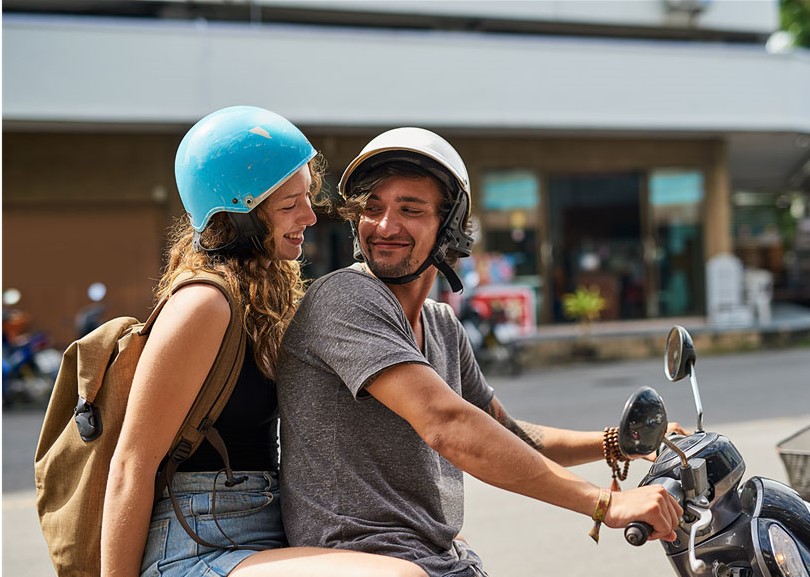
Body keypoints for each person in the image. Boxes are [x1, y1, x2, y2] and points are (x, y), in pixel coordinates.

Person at [275, 127, 684, 577]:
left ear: (448, 227)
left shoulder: (442, 325)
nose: (385, 226)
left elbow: (501, 432)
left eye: (410, 210)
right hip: (366, 560)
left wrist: (615, 445)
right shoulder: (346, 298)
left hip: (439, 558)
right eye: (373, 209)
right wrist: (604, 502)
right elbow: (447, 424)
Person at [101, 107, 426, 577]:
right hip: (195, 545)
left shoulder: (268, 295)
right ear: (242, 214)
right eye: (290, 203)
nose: (311, 216)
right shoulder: (204, 304)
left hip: (263, 532)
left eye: (308, 197)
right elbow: (131, 465)